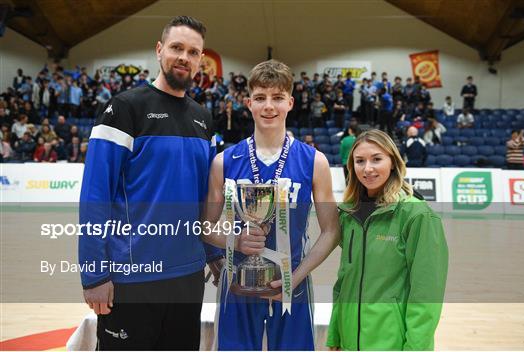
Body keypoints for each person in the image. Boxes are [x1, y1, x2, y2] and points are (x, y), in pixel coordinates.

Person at [79, 16, 222, 350]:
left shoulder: (204, 118)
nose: (184, 57)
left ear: (201, 60)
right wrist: (94, 275)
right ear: (159, 50)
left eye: (193, 51)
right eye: (176, 47)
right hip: (133, 277)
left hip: (188, 276)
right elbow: (95, 196)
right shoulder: (124, 108)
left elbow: (206, 195)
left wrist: (214, 251)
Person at [201, 59, 340, 350]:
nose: (269, 106)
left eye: (277, 98)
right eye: (261, 98)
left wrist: (295, 278)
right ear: (248, 103)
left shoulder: (314, 162)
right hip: (237, 283)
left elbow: (331, 231)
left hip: (294, 283)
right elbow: (205, 227)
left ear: (290, 102)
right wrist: (235, 241)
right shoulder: (224, 161)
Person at [327, 129, 448, 350]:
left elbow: (426, 293)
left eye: (377, 159)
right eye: (360, 161)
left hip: (392, 343)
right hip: (349, 340)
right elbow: (344, 280)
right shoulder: (348, 214)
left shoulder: (417, 215)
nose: (368, 168)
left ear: (393, 162)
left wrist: (416, 348)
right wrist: (335, 333)